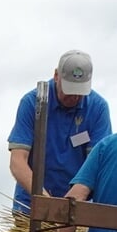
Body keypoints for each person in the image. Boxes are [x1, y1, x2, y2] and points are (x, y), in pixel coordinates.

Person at [8, 50, 110, 214]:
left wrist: (69, 205)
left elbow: (97, 164)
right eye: (69, 90)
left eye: (80, 91)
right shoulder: (32, 103)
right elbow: (17, 161)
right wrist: (46, 203)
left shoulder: (98, 108)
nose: (75, 97)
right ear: (56, 76)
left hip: (76, 209)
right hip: (31, 206)